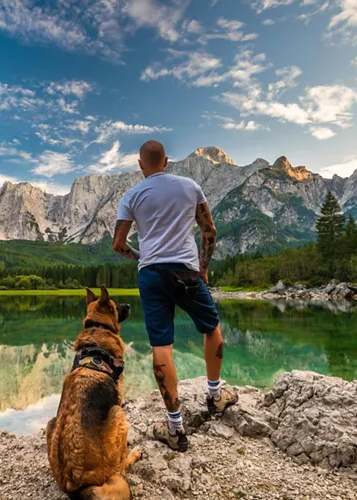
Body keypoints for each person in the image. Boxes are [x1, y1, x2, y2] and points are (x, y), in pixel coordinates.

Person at [112, 139, 238, 452]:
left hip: (151, 275)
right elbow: (209, 231)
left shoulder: (131, 195)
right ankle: (215, 395)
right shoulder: (191, 186)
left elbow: (118, 244)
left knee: (161, 346)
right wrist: (204, 269)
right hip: (187, 271)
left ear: (141, 165)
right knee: (212, 328)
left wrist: (140, 256)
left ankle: (175, 427)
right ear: (166, 161)